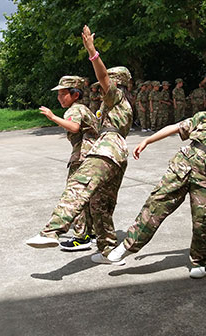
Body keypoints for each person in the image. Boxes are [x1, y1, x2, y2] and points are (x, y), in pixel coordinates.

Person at [107, 71, 206, 278]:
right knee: (155, 204)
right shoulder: (203, 117)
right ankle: (128, 245)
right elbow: (175, 127)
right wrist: (147, 141)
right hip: (181, 167)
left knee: (203, 220)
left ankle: (200, 260)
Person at [26, 25, 133, 266]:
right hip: (118, 152)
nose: (99, 89)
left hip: (107, 149)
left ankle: (51, 232)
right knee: (100, 204)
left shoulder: (116, 97)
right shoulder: (119, 105)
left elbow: (104, 79)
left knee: (78, 186)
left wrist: (92, 52)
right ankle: (107, 251)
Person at [38, 76, 100, 251]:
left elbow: (74, 127)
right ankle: (93, 232)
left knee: (75, 196)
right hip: (93, 156)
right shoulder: (84, 108)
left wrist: (52, 117)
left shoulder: (74, 110)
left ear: (75, 94)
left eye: (63, 94)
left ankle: (81, 237)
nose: (59, 98)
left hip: (82, 157)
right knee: (90, 197)